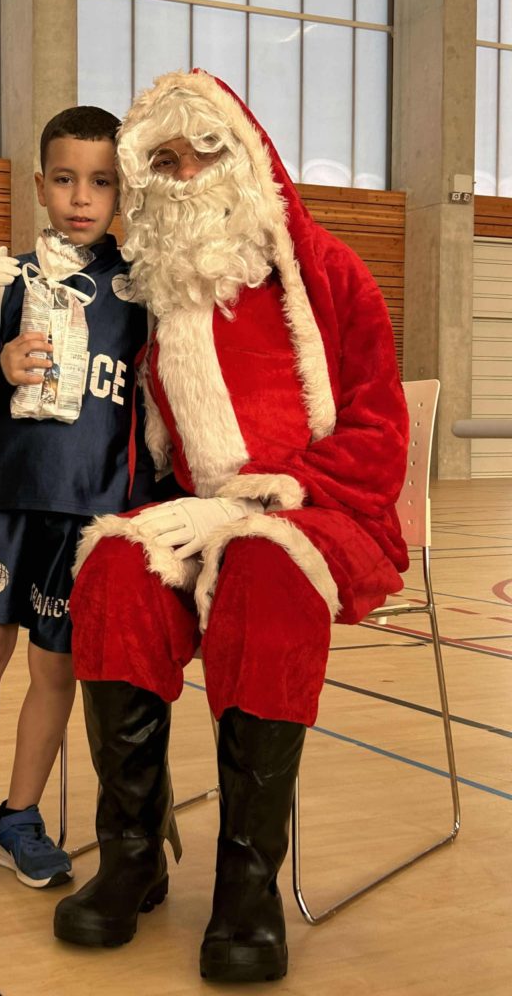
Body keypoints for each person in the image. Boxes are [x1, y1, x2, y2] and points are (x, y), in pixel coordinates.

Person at [52, 70, 410, 983]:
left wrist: (263, 499)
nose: (186, 173)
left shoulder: (328, 271)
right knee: (114, 568)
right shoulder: (158, 294)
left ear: (247, 154)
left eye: (204, 152)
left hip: (322, 510)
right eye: (165, 160)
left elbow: (380, 437)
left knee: (262, 567)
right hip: (198, 512)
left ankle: (248, 885)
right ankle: (132, 855)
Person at [0, 105, 154, 896]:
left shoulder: (142, 293)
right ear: (39, 185)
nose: (81, 198)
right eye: (65, 180)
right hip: (8, 504)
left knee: (55, 668)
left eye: (100, 182)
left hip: (89, 515)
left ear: (122, 191)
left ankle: (19, 818)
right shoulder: (3, 285)